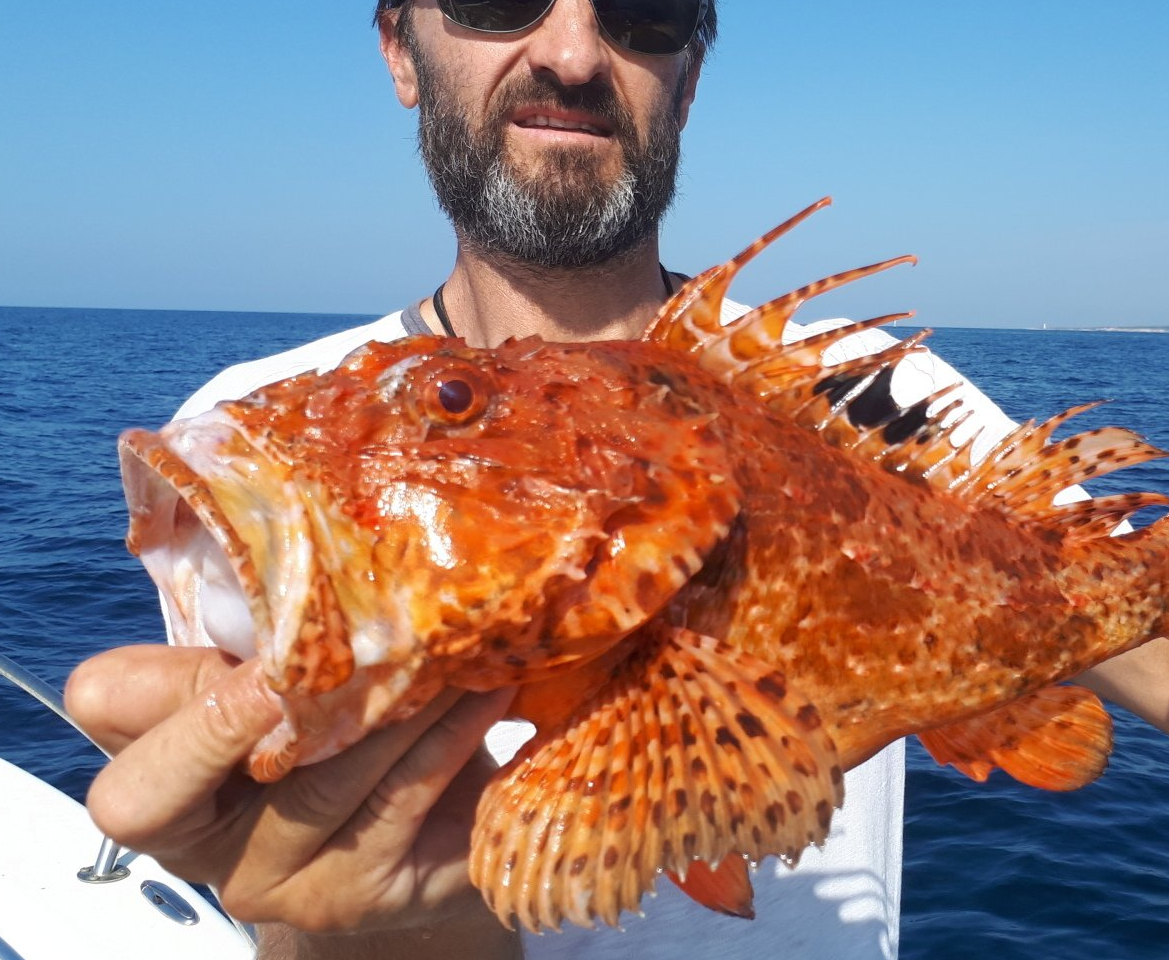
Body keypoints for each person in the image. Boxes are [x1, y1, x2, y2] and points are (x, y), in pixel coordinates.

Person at [65, 2, 1169, 959]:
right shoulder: (247, 433)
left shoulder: (874, 393)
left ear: (687, 80)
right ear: (399, 48)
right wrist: (367, 922)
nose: (573, 52)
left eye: (643, 7)